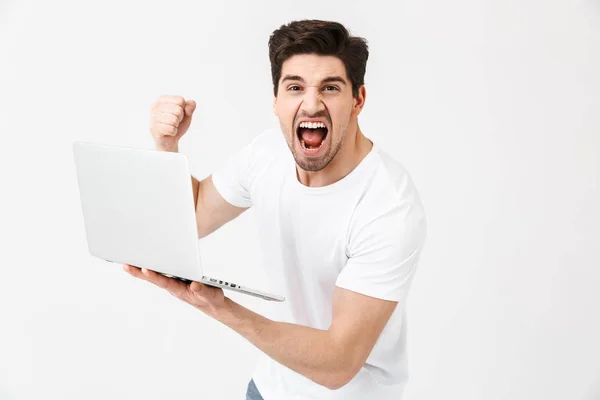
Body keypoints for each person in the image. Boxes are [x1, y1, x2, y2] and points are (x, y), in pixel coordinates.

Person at [123, 19, 428, 400]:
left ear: (358, 100)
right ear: (276, 101)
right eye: (295, 87)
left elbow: (338, 363)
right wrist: (166, 148)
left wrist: (221, 308)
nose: (312, 103)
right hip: (269, 388)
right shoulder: (266, 154)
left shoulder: (389, 207)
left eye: (330, 88)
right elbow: (196, 214)